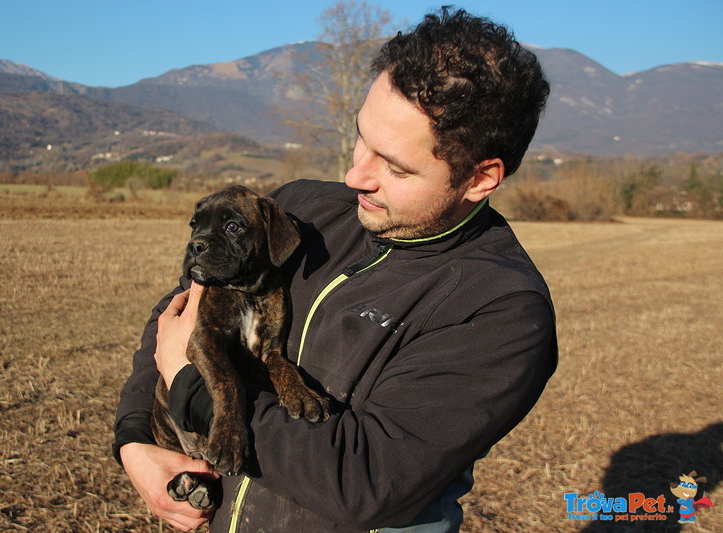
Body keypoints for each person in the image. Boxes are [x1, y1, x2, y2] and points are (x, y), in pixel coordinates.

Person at [114, 7, 557, 532]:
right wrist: (136, 439)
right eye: (360, 138)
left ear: (481, 178)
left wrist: (194, 390)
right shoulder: (303, 210)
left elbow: (363, 481)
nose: (355, 175)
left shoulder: (499, 310)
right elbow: (180, 312)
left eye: (394, 166)